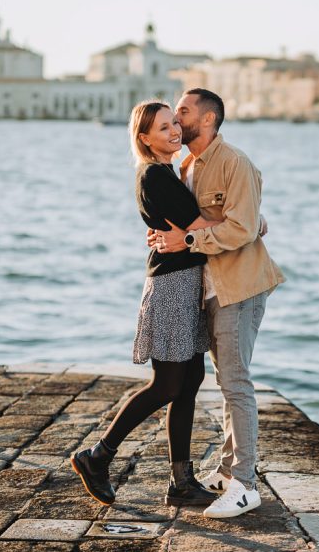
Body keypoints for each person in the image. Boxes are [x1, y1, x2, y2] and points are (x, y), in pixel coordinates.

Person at [148, 88, 284, 519]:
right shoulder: (187, 166)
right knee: (226, 383)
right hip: (207, 288)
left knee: (236, 383)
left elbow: (242, 228)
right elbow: (231, 220)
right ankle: (228, 470)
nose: (176, 118)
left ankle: (245, 484)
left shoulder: (233, 162)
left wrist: (187, 238)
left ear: (206, 120)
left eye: (183, 112)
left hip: (238, 287)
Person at [71, 100, 214, 509]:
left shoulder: (168, 172)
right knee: (168, 385)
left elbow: (195, 230)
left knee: (190, 383)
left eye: (174, 123)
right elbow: (200, 227)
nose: (173, 131)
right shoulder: (154, 175)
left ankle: (181, 482)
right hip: (171, 287)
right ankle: (97, 456)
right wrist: (249, 223)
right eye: (163, 127)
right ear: (144, 139)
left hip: (185, 284)